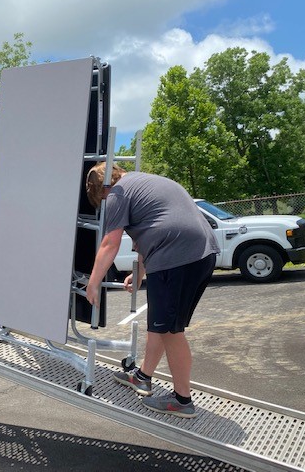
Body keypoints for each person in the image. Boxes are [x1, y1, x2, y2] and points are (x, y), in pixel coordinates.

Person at [85, 163, 219, 418]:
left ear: (101, 189)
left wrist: (92, 283)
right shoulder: (146, 183)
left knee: (170, 331)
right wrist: (139, 276)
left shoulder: (117, 193)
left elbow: (109, 243)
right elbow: (155, 232)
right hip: (202, 253)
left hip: (176, 258)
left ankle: (182, 400)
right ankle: (143, 377)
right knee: (159, 324)